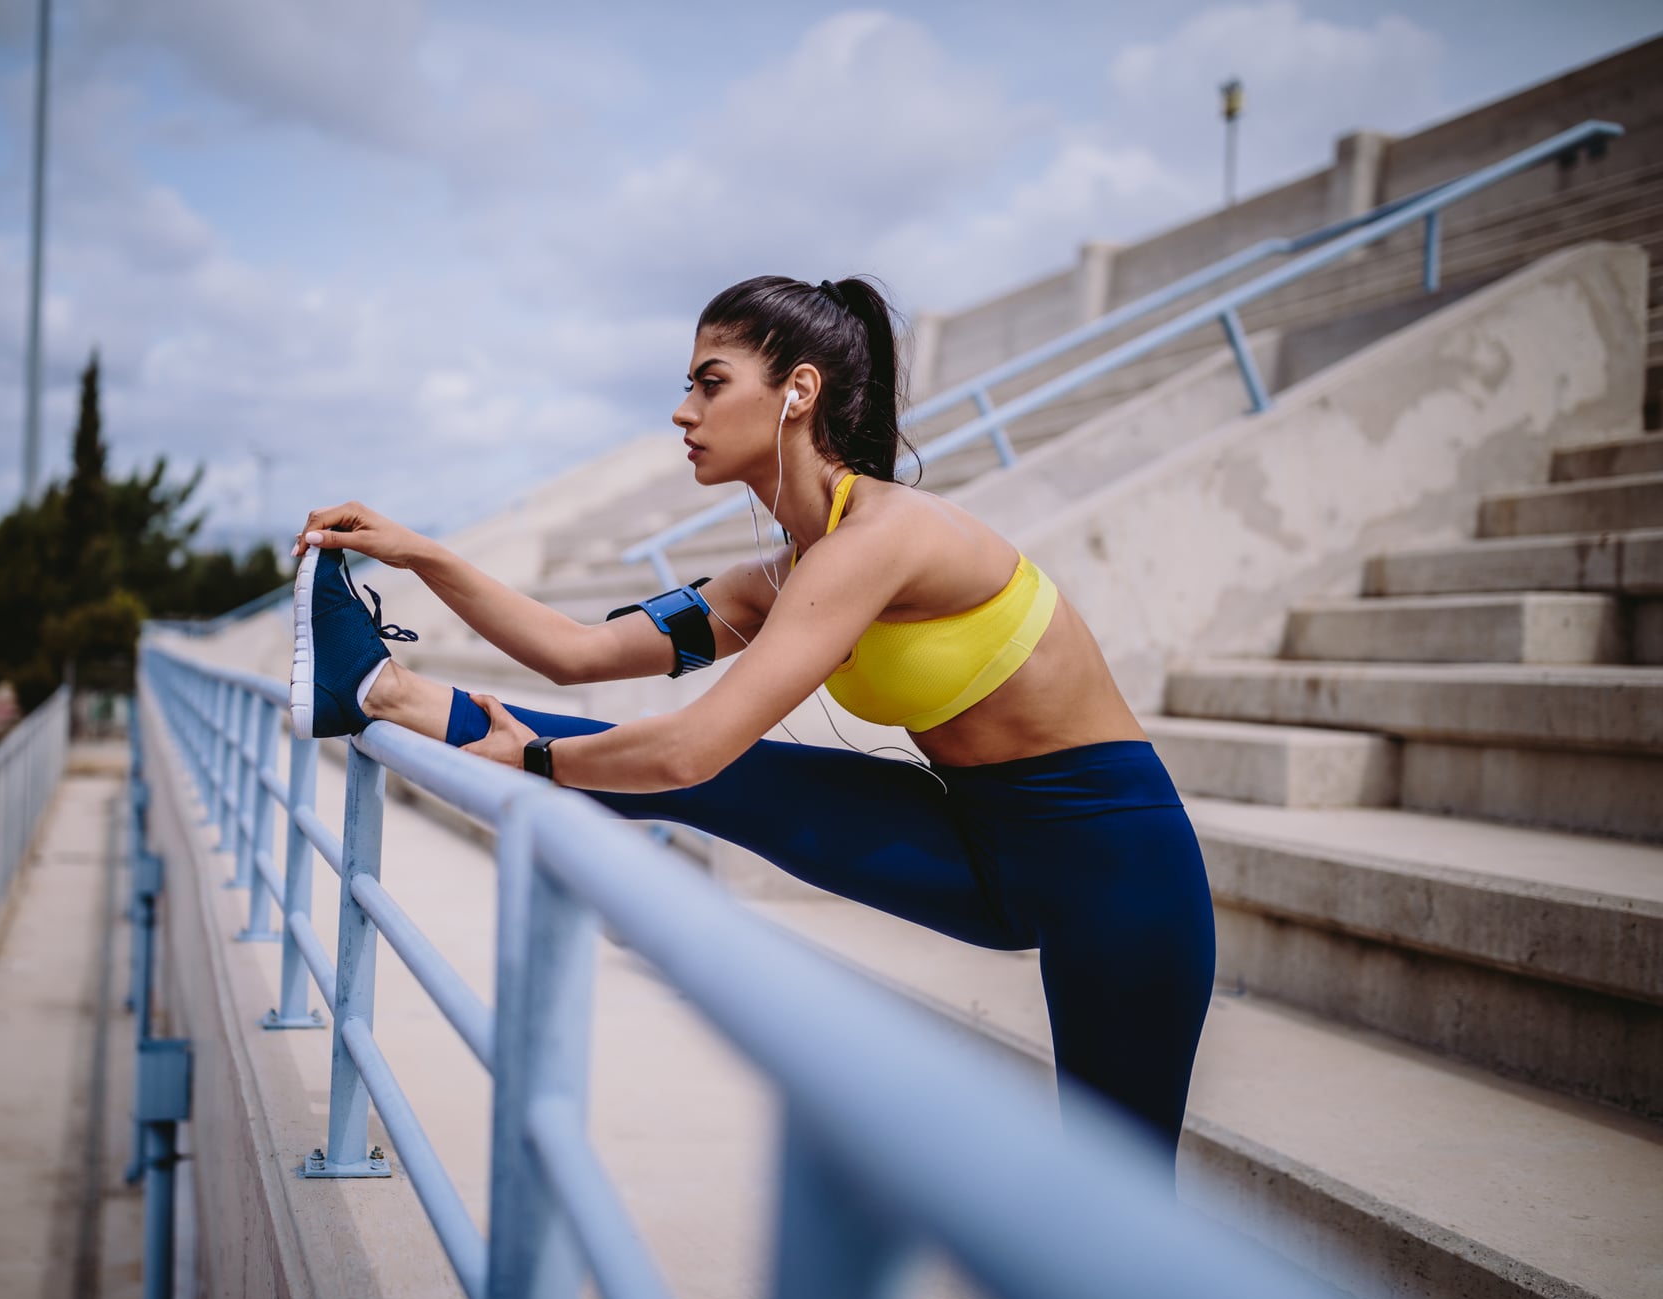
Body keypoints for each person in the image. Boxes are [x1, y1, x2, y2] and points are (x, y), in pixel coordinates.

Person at [289, 275, 1215, 1177]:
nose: (684, 411)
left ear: (797, 391)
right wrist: (419, 552)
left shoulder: (887, 538)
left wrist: (540, 757)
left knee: (1122, 1199)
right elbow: (574, 650)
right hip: (972, 835)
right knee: (730, 776)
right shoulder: (775, 579)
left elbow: (690, 746)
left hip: (1116, 868)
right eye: (687, 386)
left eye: (710, 381)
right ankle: (377, 690)